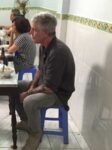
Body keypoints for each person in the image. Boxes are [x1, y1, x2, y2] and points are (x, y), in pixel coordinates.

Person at [15, 12, 75, 150]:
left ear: (46, 32)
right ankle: (27, 121)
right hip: (46, 84)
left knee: (30, 101)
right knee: (15, 87)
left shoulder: (58, 52)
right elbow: (40, 70)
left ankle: (35, 134)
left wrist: (29, 93)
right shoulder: (44, 45)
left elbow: (49, 88)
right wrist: (32, 86)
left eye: (34, 30)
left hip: (58, 93)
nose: (31, 32)